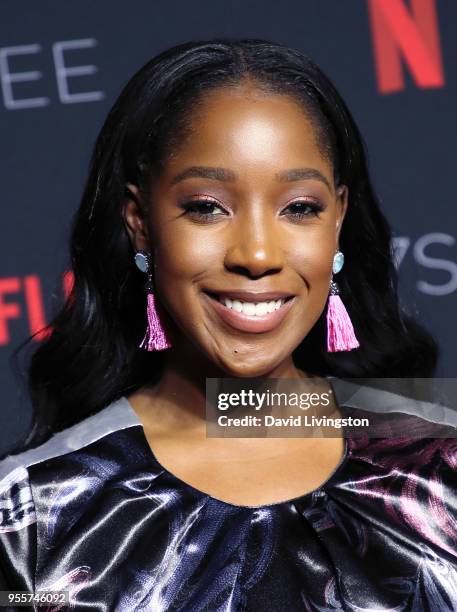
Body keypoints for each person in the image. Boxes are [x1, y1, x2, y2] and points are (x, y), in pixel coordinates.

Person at [1, 37, 456, 611]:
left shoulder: (442, 463)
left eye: (300, 208)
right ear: (141, 224)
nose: (258, 253)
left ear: (337, 220)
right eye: (207, 207)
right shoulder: (31, 519)